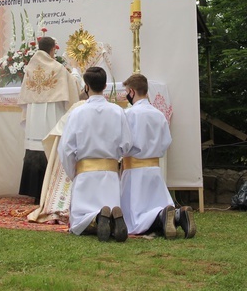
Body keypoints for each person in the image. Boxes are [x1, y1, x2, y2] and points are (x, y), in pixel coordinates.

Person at [58, 67, 132, 242]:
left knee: (78, 222)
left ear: (86, 87)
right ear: (105, 86)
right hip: (110, 177)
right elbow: (127, 144)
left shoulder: (77, 113)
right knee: (112, 204)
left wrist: (73, 172)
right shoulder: (117, 111)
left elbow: (66, 148)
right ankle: (111, 218)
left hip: (86, 176)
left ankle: (98, 218)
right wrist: (114, 159)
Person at [120, 73, 196, 239]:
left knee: (134, 217)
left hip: (134, 171)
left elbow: (124, 142)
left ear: (131, 92)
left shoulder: (130, 114)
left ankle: (162, 217)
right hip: (154, 169)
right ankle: (179, 215)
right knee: (156, 203)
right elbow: (166, 141)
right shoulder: (158, 114)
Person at [17, 36, 80, 204]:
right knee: (50, 148)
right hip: (51, 117)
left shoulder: (30, 68)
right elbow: (74, 86)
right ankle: (50, 191)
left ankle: (35, 192)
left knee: (35, 148)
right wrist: (75, 70)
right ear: (53, 50)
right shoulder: (58, 68)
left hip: (34, 118)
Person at [27, 96, 86, 224]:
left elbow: (61, 132)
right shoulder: (108, 109)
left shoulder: (77, 108)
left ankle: (57, 208)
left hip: (70, 157)